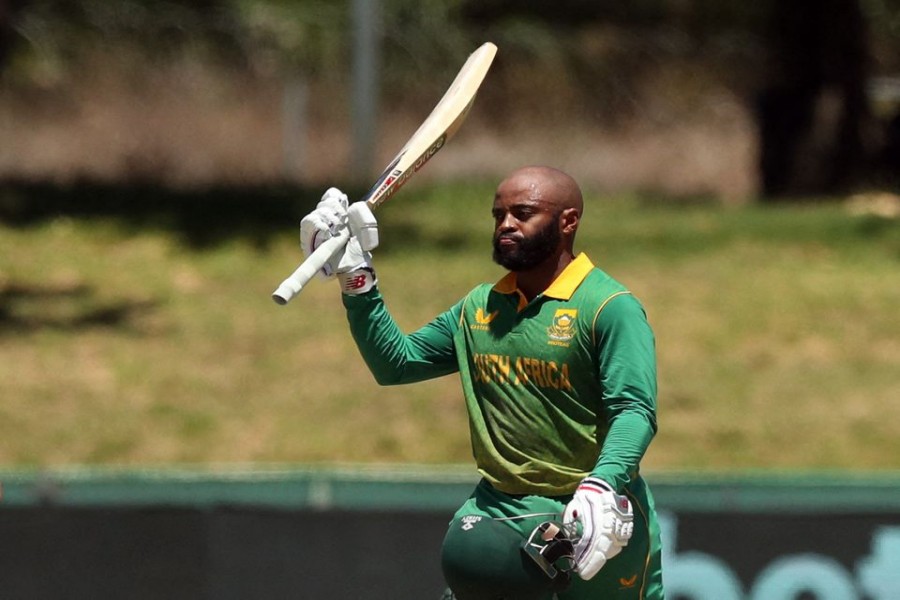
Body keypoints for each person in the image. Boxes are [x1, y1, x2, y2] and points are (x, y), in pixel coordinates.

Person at [299, 166, 664, 599]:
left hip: (587, 512)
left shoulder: (608, 306)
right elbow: (396, 363)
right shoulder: (480, 306)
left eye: (523, 213)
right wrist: (357, 279)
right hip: (497, 510)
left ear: (568, 222)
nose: (506, 224)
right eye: (498, 215)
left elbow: (634, 411)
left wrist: (603, 482)